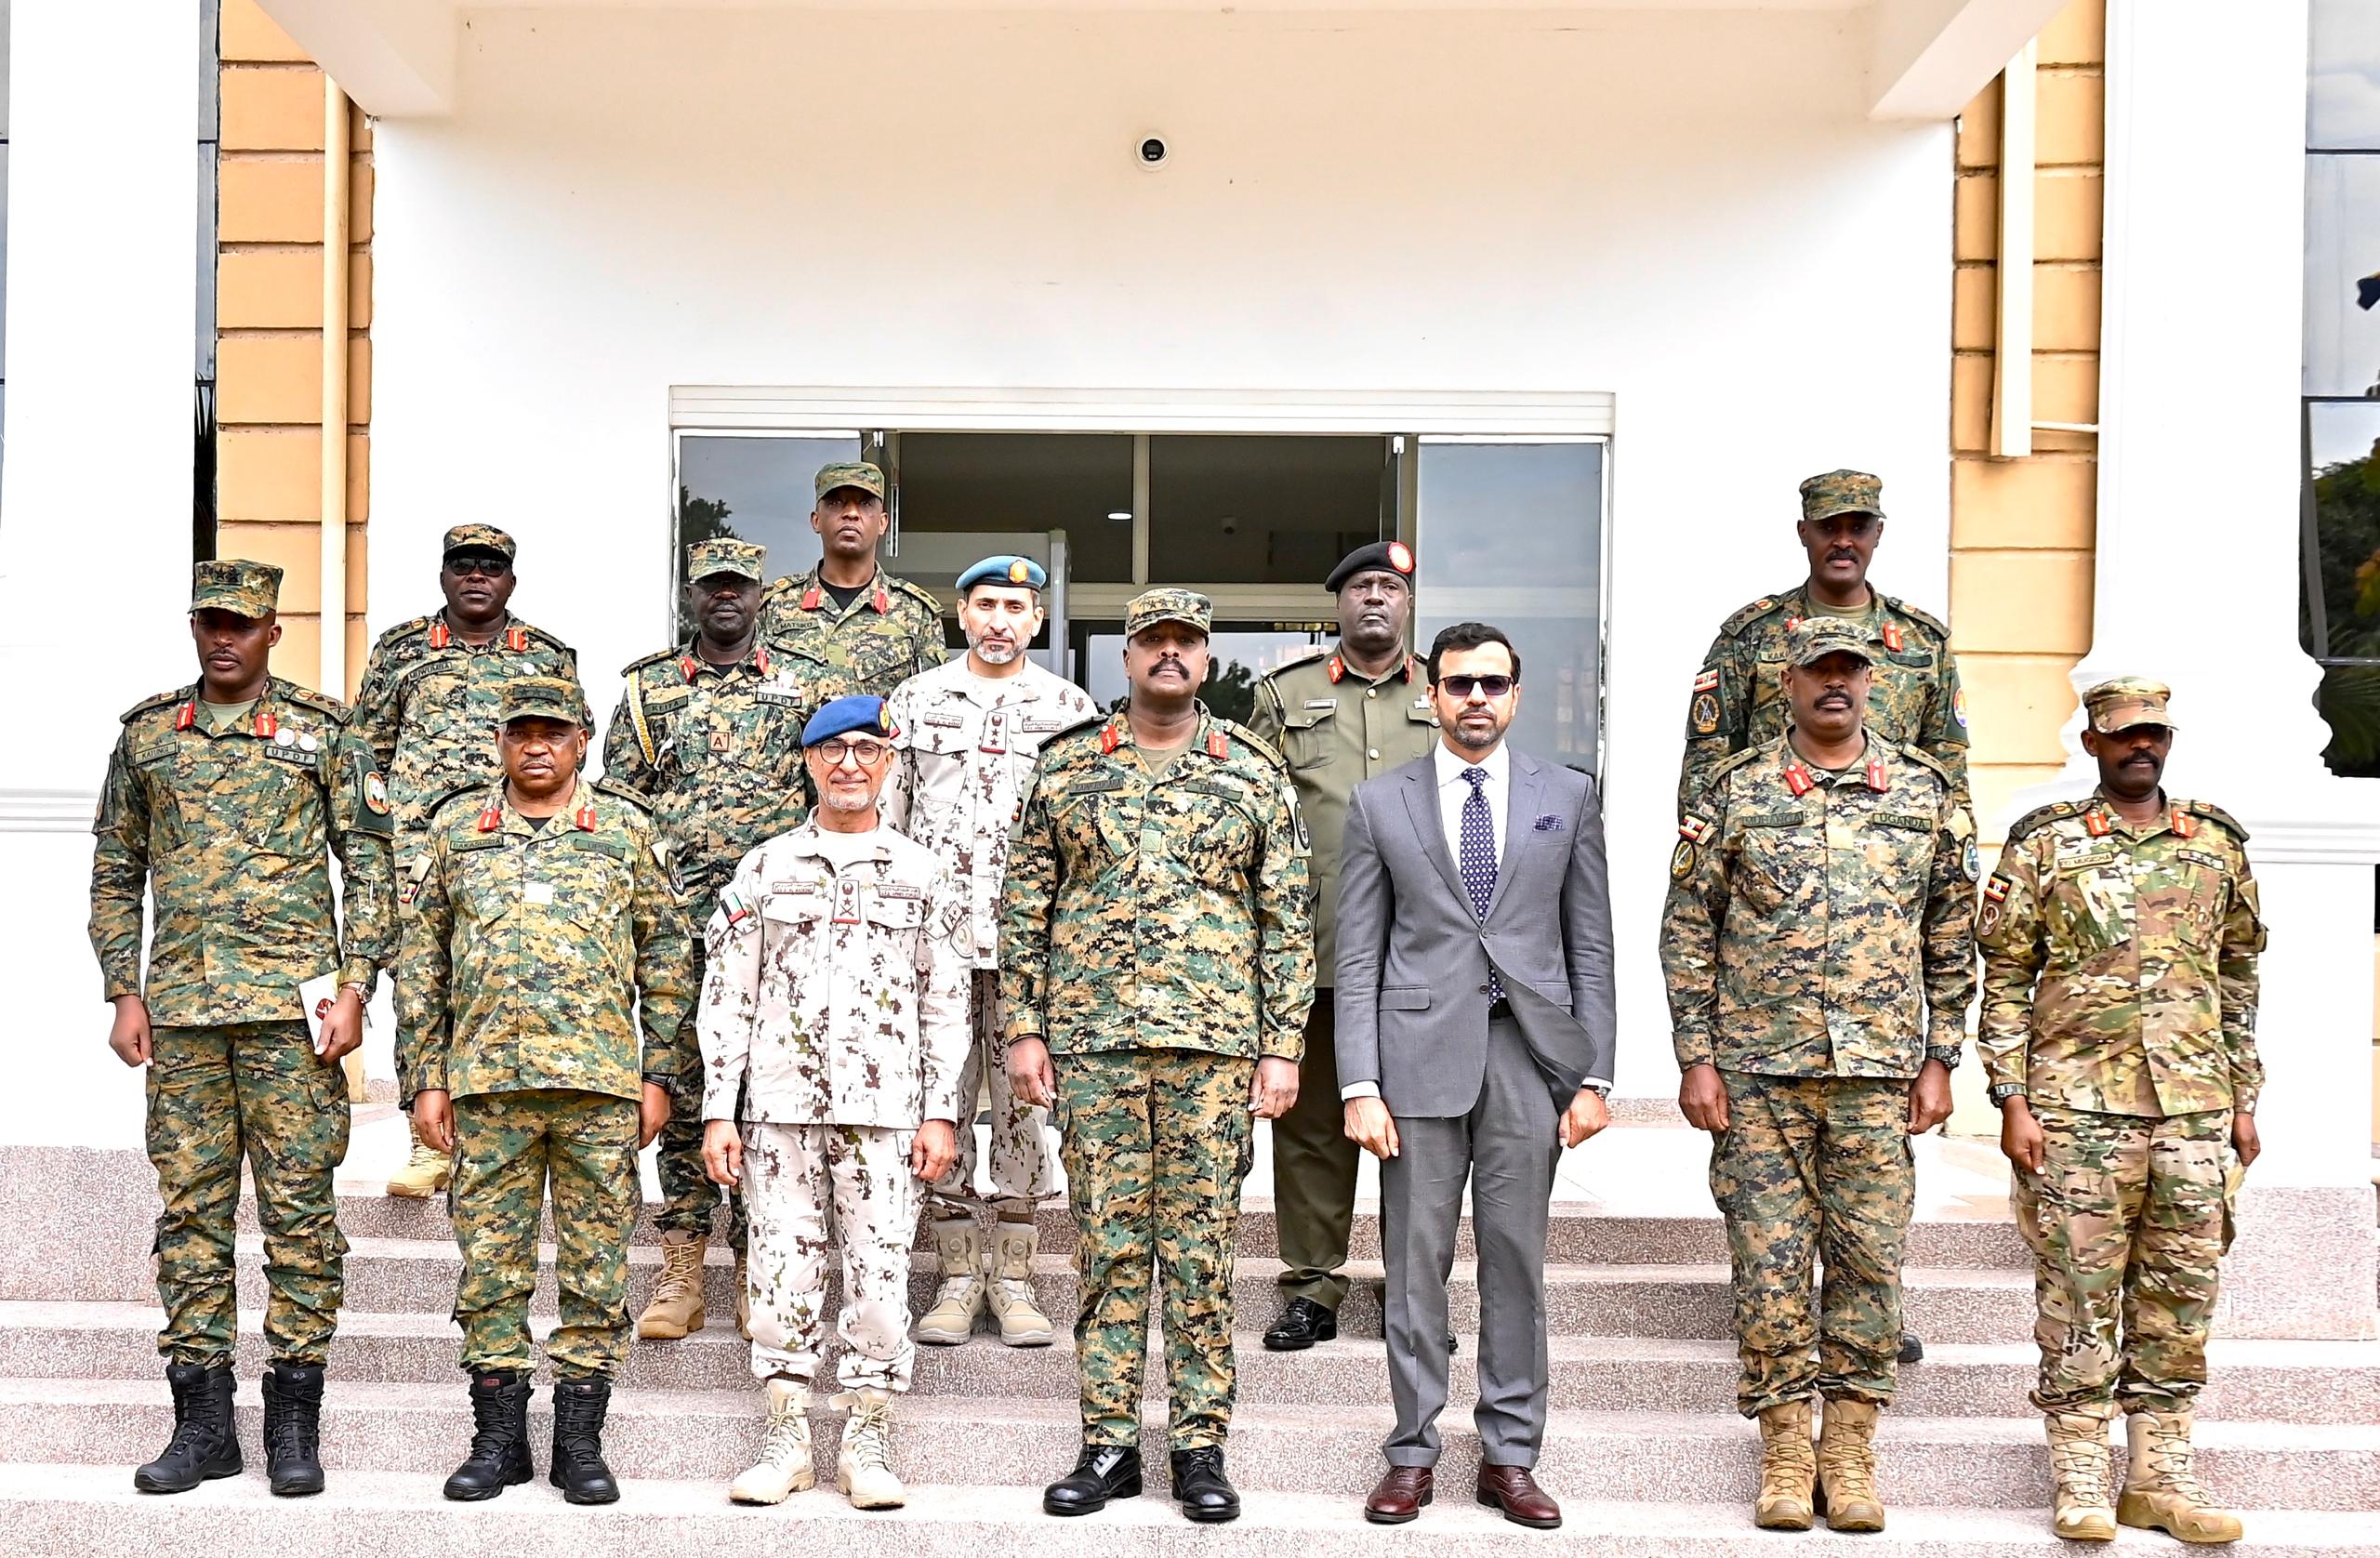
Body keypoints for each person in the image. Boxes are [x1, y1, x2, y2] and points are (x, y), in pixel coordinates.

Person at [1002, 587, 1314, 1524]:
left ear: (1206, 660)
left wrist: (1282, 1045)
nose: (1168, 656)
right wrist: (1023, 1025)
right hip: (1095, 1044)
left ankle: (1198, 1444)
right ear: (1126, 660)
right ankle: (1106, 1443)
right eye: (1151, 643)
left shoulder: (1254, 771)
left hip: (1213, 1049)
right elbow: (1025, 905)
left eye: (1185, 643)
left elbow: (1287, 918)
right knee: (1107, 1246)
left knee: (1201, 1251)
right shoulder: (1066, 769)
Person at [1659, 616, 1976, 1535]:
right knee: (1767, 1265)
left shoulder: (1921, 790)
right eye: (1815, 671)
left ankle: (1850, 1442)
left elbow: (1950, 934)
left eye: (1849, 670)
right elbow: (1688, 928)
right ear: (1788, 683)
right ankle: (1785, 1447)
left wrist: (1940, 1055)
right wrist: (1695, 1055)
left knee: (1871, 1262)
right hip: (1758, 1070)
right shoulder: (1735, 790)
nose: (1833, 684)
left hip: (1878, 1073)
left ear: (1871, 681)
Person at [89, 559, 394, 1499]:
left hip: (291, 1024)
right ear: (194, 626)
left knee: (301, 1220)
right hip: (181, 1019)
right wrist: (123, 989)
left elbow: (371, 865)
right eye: (209, 620)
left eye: (241, 622)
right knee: (191, 1220)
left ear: (272, 630)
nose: (223, 635)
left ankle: (295, 1423)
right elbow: (115, 869)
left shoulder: (323, 731)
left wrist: (355, 987)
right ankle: (202, 1424)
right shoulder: (149, 736)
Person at [1676, 469, 1965, 1371]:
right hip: (1774, 925)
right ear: (1803, 530)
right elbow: (1705, 767)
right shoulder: (1751, 635)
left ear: (1878, 531)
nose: (1844, 539)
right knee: (1768, 1184)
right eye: (1828, 525)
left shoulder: (1920, 640)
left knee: (1870, 1186)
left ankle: (1864, 1315)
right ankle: (1778, 1318)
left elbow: (1949, 768)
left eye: (1859, 525)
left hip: (1877, 922)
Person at [1334, 621, 1619, 1530]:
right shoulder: (1380, 803)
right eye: (1459, 683)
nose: (1476, 699)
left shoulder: (1566, 794)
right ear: (1431, 691)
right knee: (1413, 1268)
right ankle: (1411, 1448)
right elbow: (1359, 952)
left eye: (1493, 683)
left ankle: (1509, 1452)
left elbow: (1589, 942)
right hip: (1416, 1060)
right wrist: (1357, 1083)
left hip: (1527, 1060)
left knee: (1515, 1264)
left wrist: (1593, 1073)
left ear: (1516, 694)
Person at [1977, 677, 2264, 1546]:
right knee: (2078, 1293)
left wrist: (2244, 1097)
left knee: (2181, 1296)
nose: (2141, 747)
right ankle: (2082, 1481)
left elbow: (2239, 974)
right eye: (2123, 736)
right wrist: (2012, 1097)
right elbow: (2006, 980)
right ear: (2092, 744)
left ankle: (2161, 1480)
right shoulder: (2047, 845)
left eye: (2153, 735)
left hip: (2194, 1111)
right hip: (2077, 1111)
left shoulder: (2215, 845)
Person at [396, 677, 692, 1506]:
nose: (536, 746)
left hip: (599, 1088)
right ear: (500, 741)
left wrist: (658, 1074)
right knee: (491, 1268)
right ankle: (497, 1440)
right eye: (521, 731)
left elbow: (667, 959)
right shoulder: (458, 829)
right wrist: (425, 1078)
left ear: (582, 741)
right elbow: (423, 965)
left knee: (596, 1269)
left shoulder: (625, 830)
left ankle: (578, 1439)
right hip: (487, 1088)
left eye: (553, 733)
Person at [698, 694, 973, 1511]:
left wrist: (941, 1110)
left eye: (865, 749)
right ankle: (786, 1437)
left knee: (881, 1271)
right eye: (832, 751)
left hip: (888, 1113)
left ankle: (866, 1439)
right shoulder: (765, 867)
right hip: (778, 1108)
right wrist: (720, 1107)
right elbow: (728, 994)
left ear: (890, 762)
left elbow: (945, 1002)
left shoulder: (924, 874)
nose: (849, 764)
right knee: (781, 1270)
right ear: (810, 763)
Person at [881, 555, 1096, 1350]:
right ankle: (955, 1274)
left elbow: (1083, 835)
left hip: (1028, 948)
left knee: (1022, 1110)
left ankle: (1012, 1276)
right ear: (962, 615)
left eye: (1016, 605)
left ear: (1036, 620)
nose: (1001, 619)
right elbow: (887, 826)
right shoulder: (917, 701)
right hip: (931, 948)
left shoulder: (1070, 708)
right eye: (986, 605)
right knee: (935, 1100)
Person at [604, 538, 813, 1344]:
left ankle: (762, 1260)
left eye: (739, 587)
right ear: (691, 595)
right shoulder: (649, 689)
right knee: (685, 1092)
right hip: (678, 932)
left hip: (781, 934)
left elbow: (832, 788)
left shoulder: (801, 684)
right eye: (710, 587)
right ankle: (685, 1265)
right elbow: (621, 808)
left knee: (771, 1097)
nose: (725, 598)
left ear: (761, 593)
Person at [1245, 540, 1439, 1353]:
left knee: (1422, 1130)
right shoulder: (1283, 695)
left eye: (1389, 589)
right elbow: (1252, 814)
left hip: (1427, 960)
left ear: (1406, 605)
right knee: (1314, 1127)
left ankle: (1415, 1292)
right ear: (1337, 604)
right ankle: (1312, 1288)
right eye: (1360, 586)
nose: (1374, 601)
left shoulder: (1449, 689)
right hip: (1316, 952)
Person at [354, 522, 581, 1199]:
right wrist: (375, 849)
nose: (476, 576)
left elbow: (572, 745)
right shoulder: (400, 651)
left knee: (505, 980)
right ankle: (424, 1142)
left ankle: (499, 1134)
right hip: (419, 856)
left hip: (514, 850)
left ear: (511, 578)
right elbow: (366, 757)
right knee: (422, 990)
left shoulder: (545, 655)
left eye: (491, 566)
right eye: (463, 565)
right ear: (444, 574)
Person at [757, 461, 948, 706]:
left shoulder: (915, 613)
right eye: (836, 502)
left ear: (882, 523)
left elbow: (930, 707)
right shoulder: (774, 606)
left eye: (865, 503)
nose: (851, 513)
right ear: (816, 521)